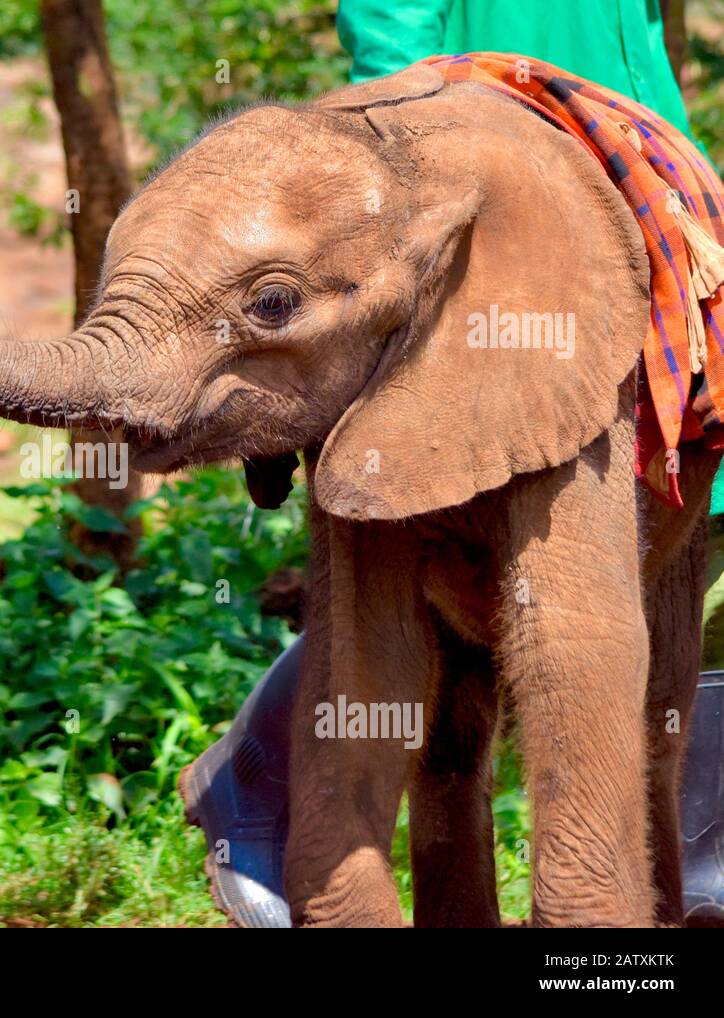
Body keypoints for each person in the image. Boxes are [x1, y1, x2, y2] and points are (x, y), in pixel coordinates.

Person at [181, 0, 724, 927]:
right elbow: (388, 23)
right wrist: (406, 161)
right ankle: (266, 778)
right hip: (478, 193)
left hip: (633, 188)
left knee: (654, 594)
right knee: (432, 569)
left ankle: (662, 911)